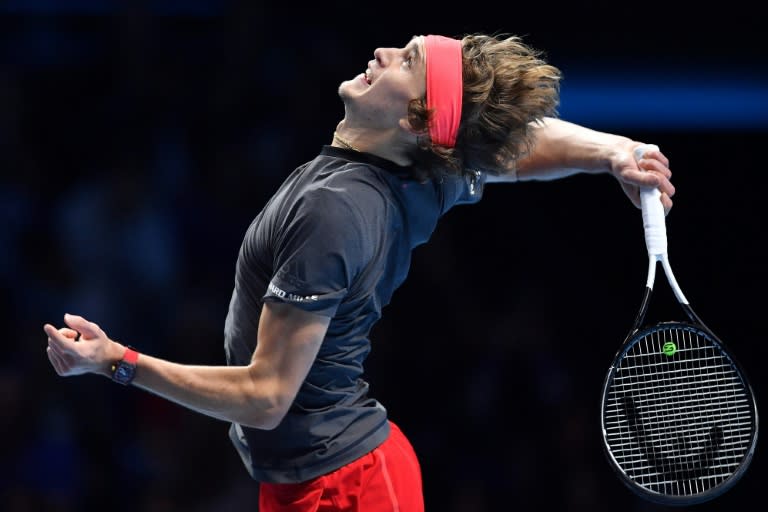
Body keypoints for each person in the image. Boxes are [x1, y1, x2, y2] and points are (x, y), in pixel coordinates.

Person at [43, 32, 674, 511]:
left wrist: (118, 363)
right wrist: (615, 151)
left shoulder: (337, 211)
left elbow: (265, 398)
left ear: (417, 120)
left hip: (348, 488)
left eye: (407, 60)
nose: (383, 50)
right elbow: (515, 148)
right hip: (313, 479)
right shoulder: (424, 170)